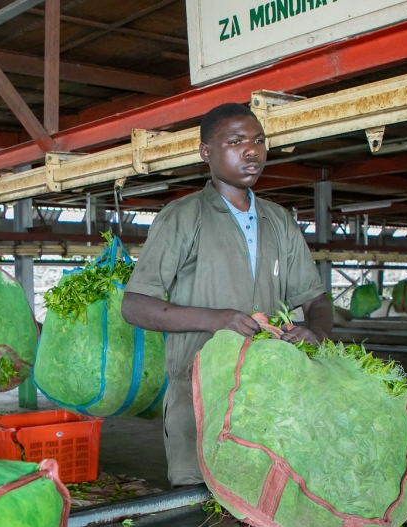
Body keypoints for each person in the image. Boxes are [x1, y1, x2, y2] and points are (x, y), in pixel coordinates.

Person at [122, 103, 333, 487]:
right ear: (207, 152)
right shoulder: (183, 217)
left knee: (263, 509)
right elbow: (135, 306)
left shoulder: (279, 220)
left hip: (267, 394)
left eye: (258, 141)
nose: (251, 151)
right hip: (199, 394)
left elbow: (316, 300)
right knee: (202, 516)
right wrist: (217, 319)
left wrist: (314, 332)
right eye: (236, 142)